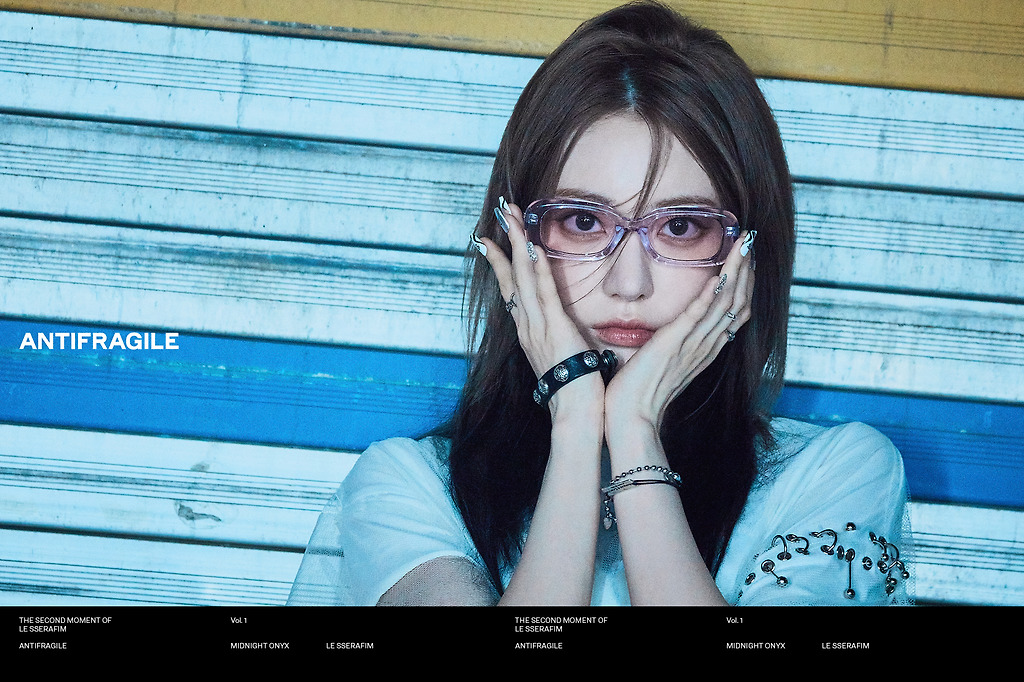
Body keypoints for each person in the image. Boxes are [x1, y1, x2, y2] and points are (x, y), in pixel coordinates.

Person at [288, 1, 912, 606]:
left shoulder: (834, 475)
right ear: (516, 239)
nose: (628, 283)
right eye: (584, 221)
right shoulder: (409, 485)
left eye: (681, 228)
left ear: (747, 251)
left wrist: (634, 429)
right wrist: (577, 422)